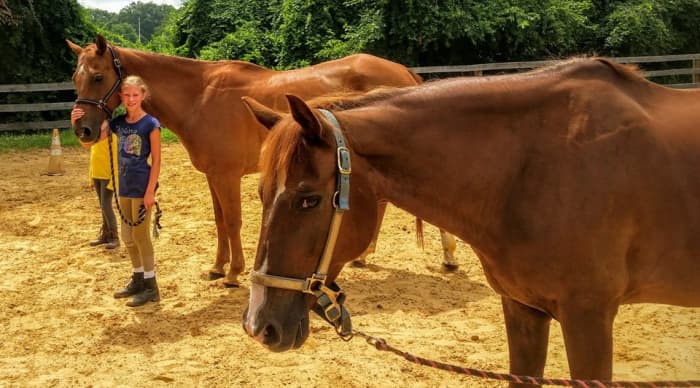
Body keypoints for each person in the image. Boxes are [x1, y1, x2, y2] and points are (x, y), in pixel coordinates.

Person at [71, 75, 162, 307]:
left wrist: (151, 190)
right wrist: (76, 124)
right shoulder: (118, 124)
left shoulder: (150, 124)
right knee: (128, 238)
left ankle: (151, 286)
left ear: (143, 96)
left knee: (141, 237)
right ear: (120, 97)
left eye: (135, 95)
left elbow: (157, 160)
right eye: (127, 95)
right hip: (123, 187)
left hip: (142, 187)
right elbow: (88, 143)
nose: (131, 99)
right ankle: (138, 277)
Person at [86, 131, 120, 250]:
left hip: (107, 177)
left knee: (106, 205)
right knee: (102, 205)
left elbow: (116, 160)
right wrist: (91, 177)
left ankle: (115, 237)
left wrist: (114, 180)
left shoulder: (112, 136)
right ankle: (106, 234)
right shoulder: (95, 136)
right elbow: (93, 156)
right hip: (97, 174)